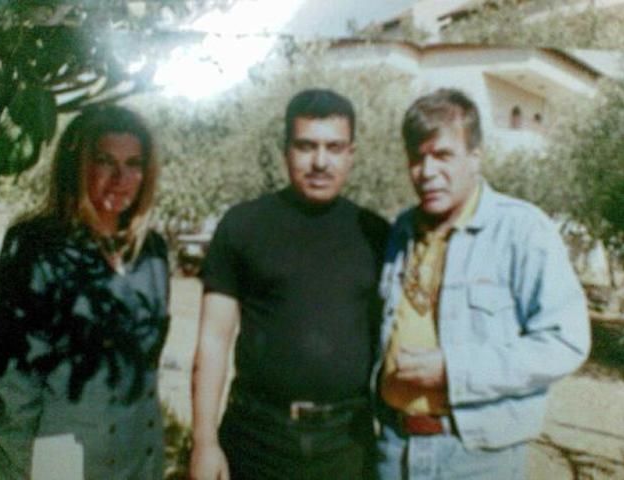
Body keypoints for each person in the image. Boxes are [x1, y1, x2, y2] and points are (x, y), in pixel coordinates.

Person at [375, 88, 590, 479]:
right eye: (417, 157)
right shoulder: (401, 230)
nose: (427, 172)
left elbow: (565, 342)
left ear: (475, 157)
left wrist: (454, 369)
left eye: (443, 155)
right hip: (394, 449)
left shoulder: (522, 230)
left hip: (478, 458)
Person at [190, 88, 390, 480]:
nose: (320, 162)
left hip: (347, 442)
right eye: (306, 146)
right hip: (257, 438)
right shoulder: (243, 225)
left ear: (352, 154)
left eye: (334, 147)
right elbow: (213, 341)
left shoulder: (376, 234)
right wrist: (204, 442)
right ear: (286, 150)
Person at [0, 105, 170, 479]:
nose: (120, 179)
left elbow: (147, 372)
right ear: (77, 167)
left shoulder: (152, 251)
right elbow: (12, 385)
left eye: (133, 164)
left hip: (138, 462)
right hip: (60, 462)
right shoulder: (36, 245)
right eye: (105, 161)